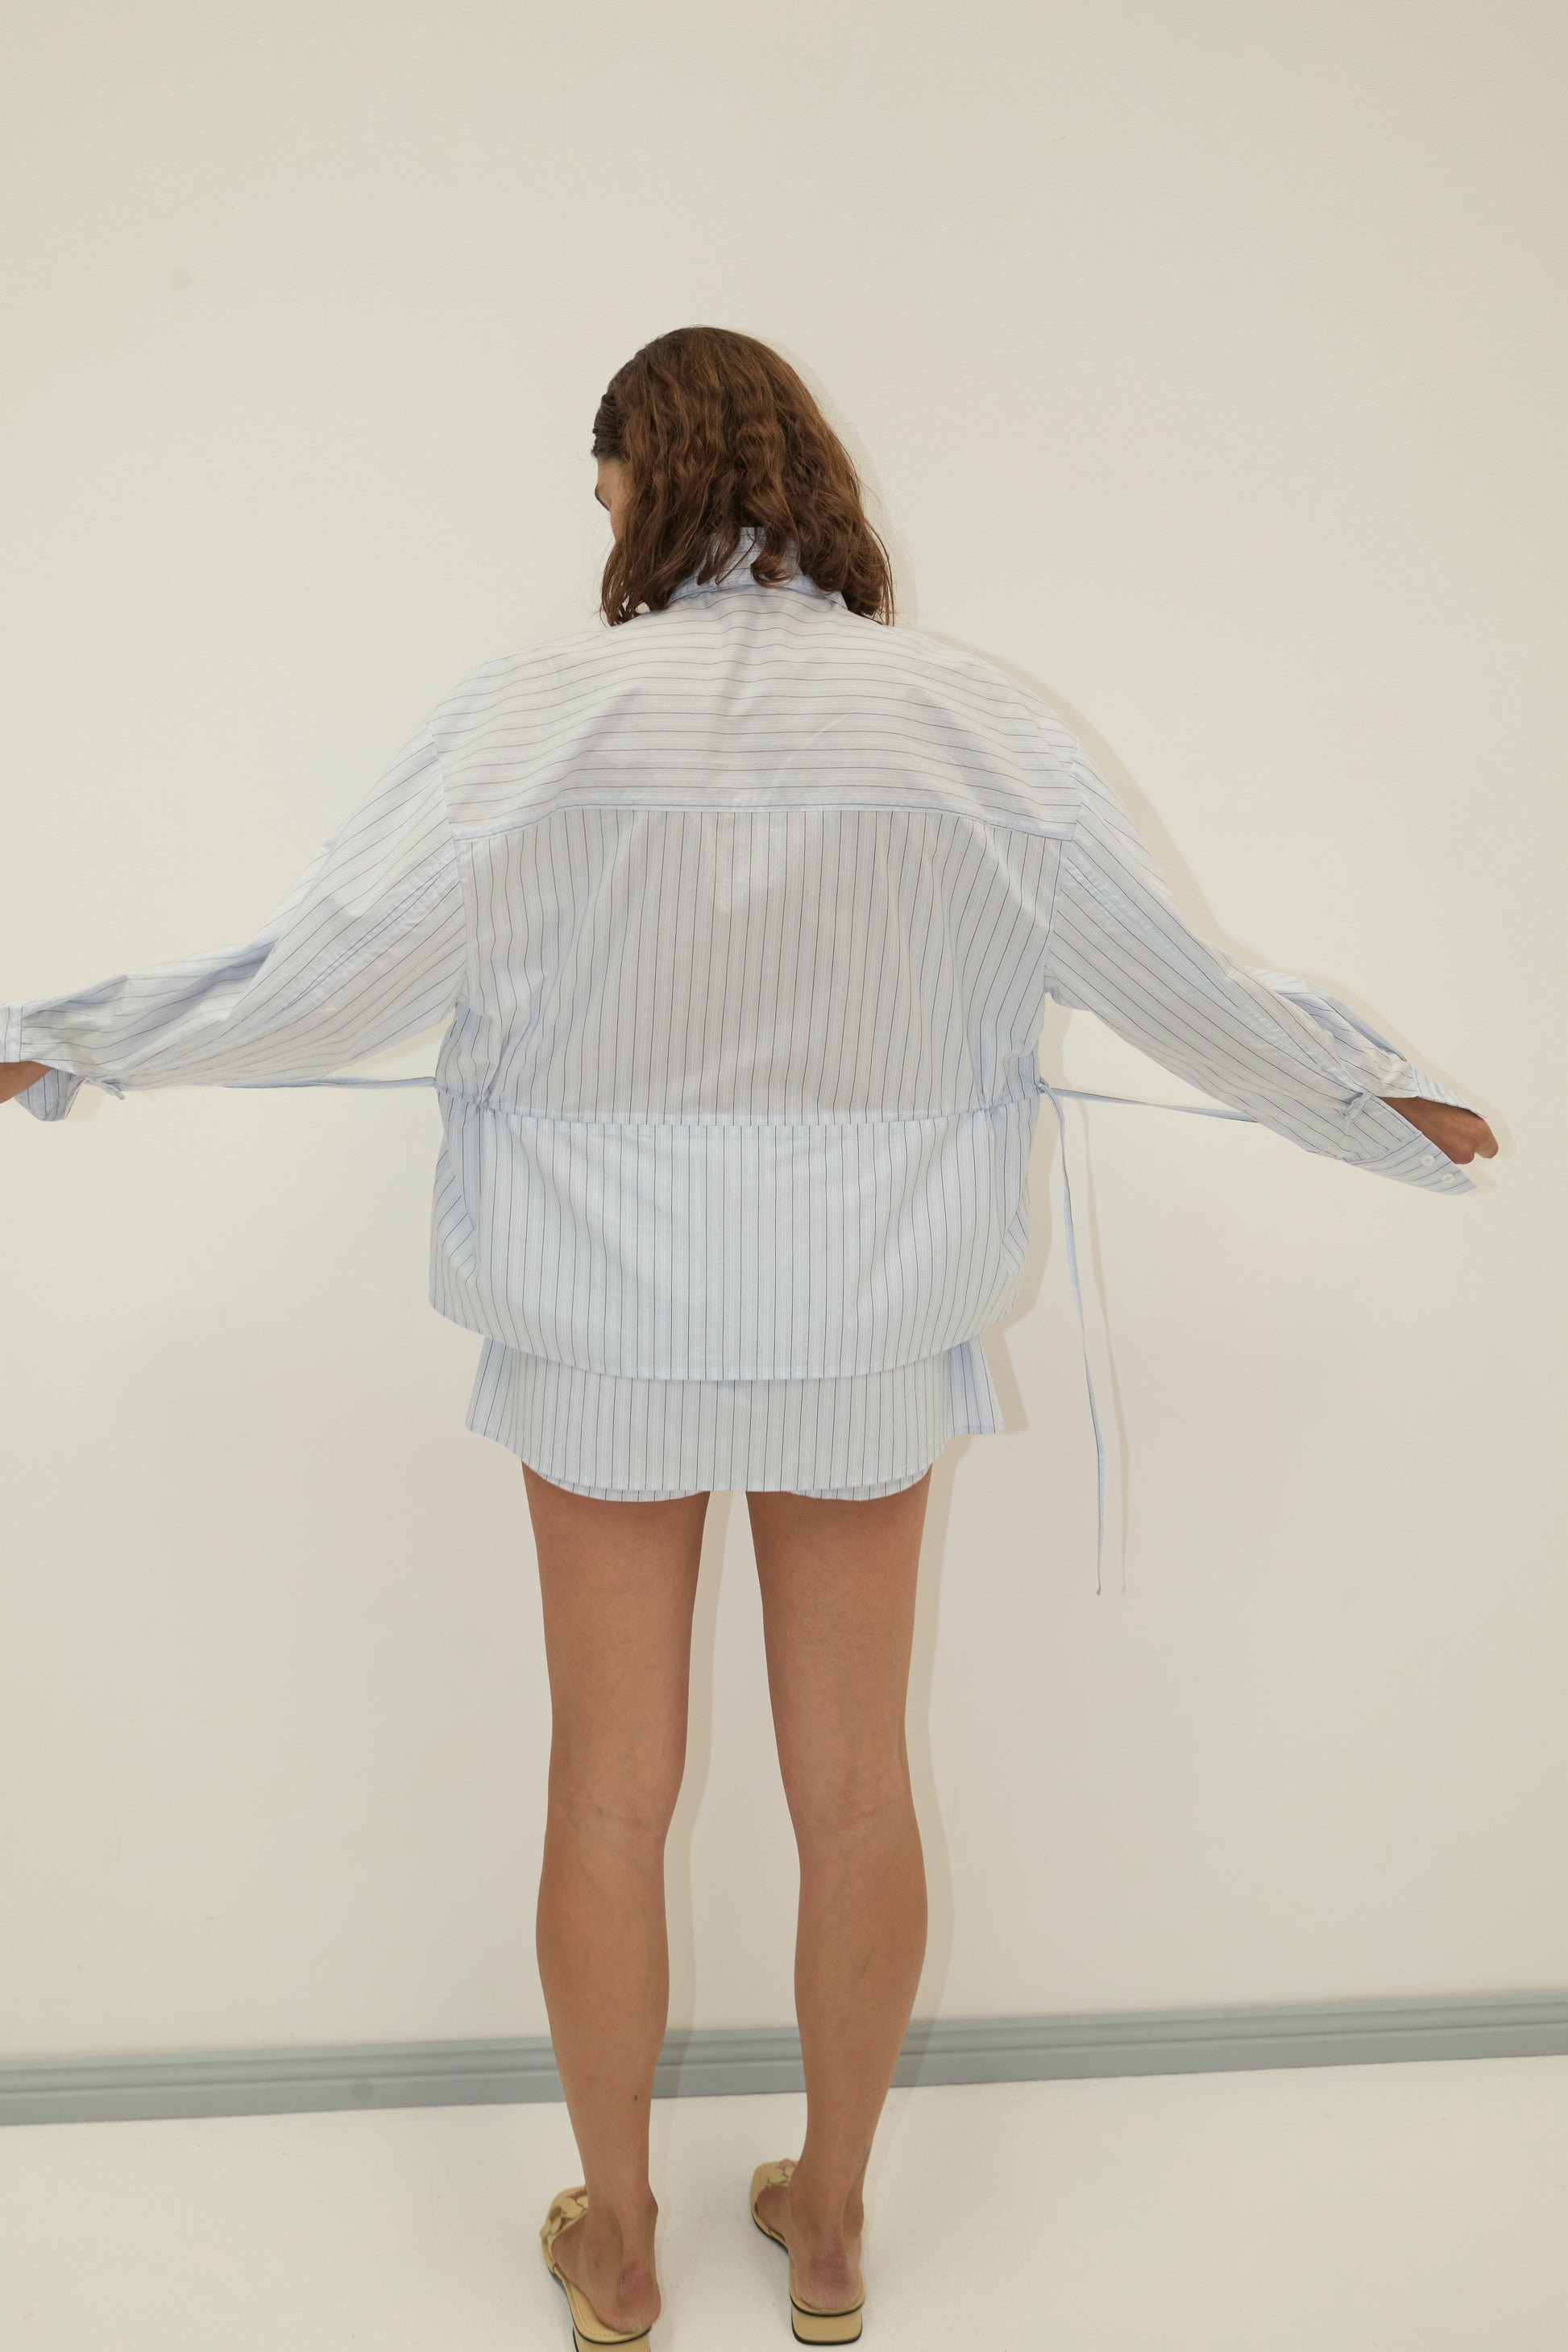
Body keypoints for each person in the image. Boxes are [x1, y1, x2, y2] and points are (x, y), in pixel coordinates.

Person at [1, 324, 1498, 2348]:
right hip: (863, 1319)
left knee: (606, 1792)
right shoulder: (974, 723)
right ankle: (835, 2224)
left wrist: (69, 1042)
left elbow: (317, 975)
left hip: (593, 1318)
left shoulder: (526, 719)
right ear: (809, 473)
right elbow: (1178, 976)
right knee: (856, 1788)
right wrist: (1373, 1100)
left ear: (647, 482)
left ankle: (619, 2243)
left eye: (605, 489)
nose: (603, 524)